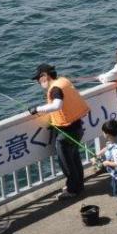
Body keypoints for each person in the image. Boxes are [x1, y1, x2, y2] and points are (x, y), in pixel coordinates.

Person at [28, 63, 88, 199]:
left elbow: (57, 105)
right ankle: (78, 185)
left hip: (66, 133)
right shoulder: (64, 82)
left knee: (66, 163)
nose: (38, 82)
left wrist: (37, 109)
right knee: (75, 159)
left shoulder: (55, 89)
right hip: (77, 127)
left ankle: (73, 190)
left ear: (45, 76)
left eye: (38, 79)